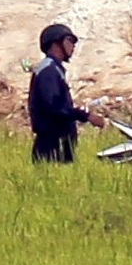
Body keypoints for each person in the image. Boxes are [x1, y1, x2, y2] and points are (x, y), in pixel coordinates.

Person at [28, 22, 107, 164]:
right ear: (55, 43)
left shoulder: (55, 69)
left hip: (59, 142)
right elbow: (54, 106)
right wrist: (86, 116)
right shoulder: (48, 71)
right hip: (52, 144)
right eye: (69, 40)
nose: (73, 46)